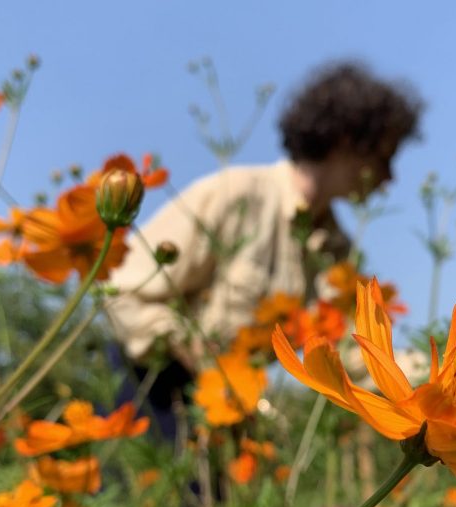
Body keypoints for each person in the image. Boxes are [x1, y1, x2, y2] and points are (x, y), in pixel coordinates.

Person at [104, 61, 424, 435]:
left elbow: (358, 355)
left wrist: (441, 380)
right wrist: (196, 352)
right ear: (347, 140)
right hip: (154, 385)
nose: (389, 178)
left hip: (230, 405)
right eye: (384, 158)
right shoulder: (235, 193)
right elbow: (123, 289)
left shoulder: (336, 250)